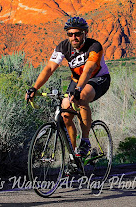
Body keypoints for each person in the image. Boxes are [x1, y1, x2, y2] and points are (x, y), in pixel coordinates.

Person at [25, 16, 111, 158]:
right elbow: (49, 68)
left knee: (81, 97)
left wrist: (77, 90)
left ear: (85, 33)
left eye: (77, 34)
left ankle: (85, 141)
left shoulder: (94, 46)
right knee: (65, 113)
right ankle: (73, 156)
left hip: (98, 78)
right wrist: (34, 88)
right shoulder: (63, 47)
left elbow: (88, 69)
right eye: (70, 34)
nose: (73, 37)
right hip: (77, 80)